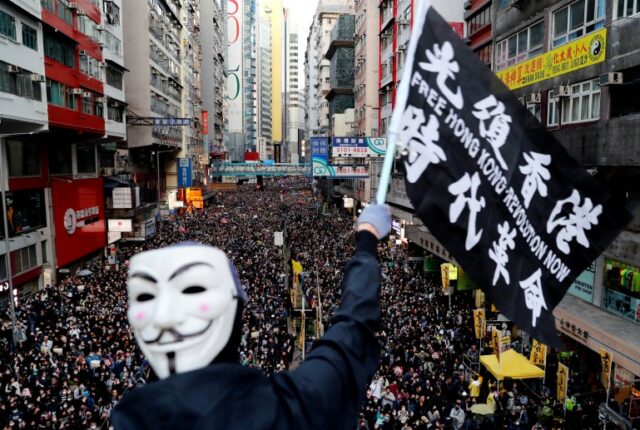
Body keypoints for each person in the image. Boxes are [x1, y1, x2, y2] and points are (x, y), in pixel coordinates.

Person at [111, 204, 392, 429]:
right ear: (237, 314)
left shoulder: (127, 418)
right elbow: (351, 328)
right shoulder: (291, 410)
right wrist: (366, 237)